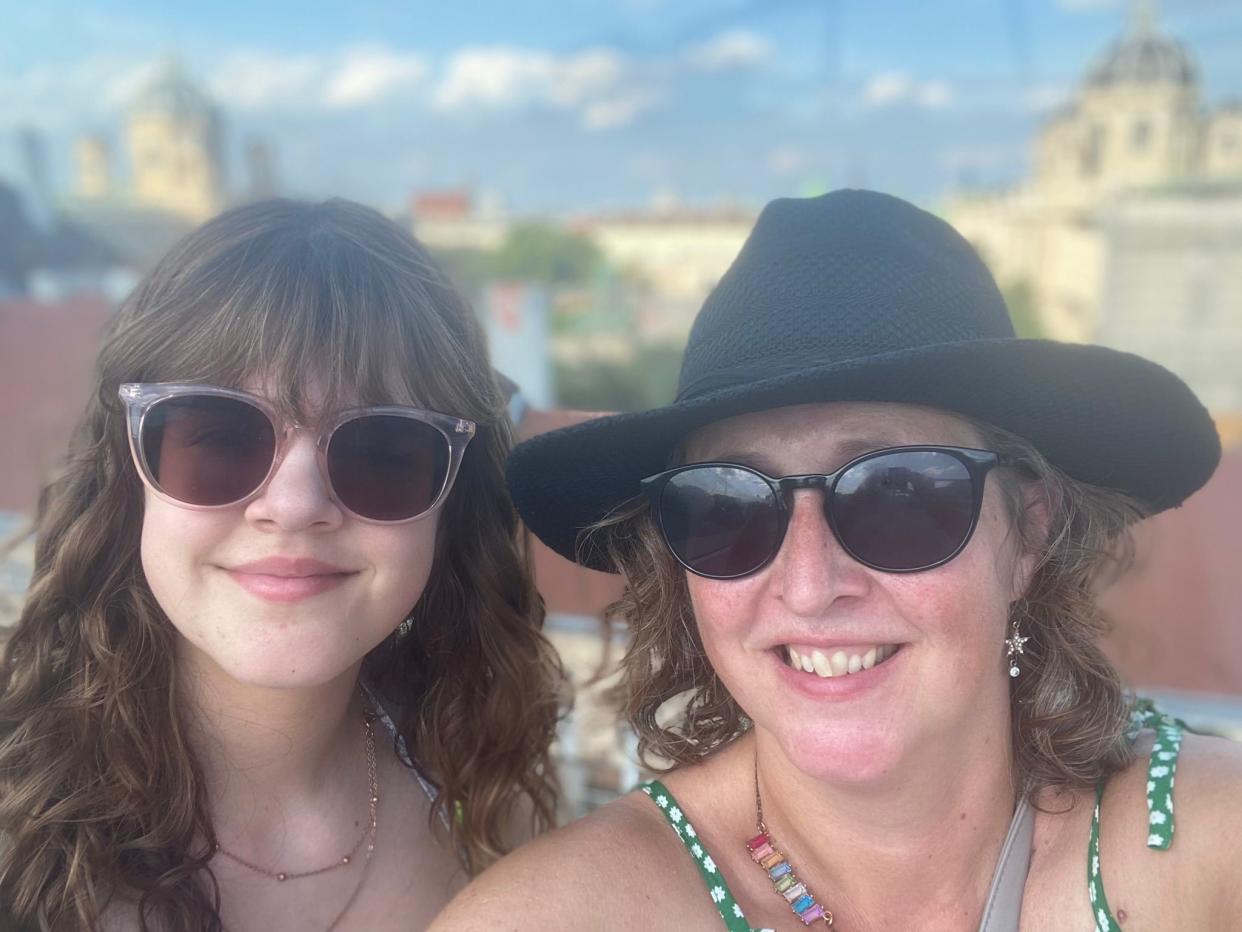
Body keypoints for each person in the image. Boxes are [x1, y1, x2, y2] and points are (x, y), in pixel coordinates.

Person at [432, 190, 1242, 931]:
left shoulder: (1211, 850)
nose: (811, 585)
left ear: (1029, 534)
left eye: (898, 495)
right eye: (728, 505)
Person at [0, 199, 563, 931]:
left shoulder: (494, 816)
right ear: (126, 475)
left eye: (383, 452)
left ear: (450, 510)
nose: (295, 505)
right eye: (220, 437)